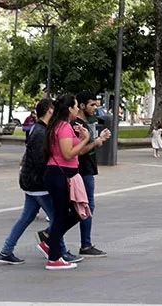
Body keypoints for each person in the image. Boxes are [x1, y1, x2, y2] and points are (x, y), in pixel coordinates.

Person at [0, 98, 77, 265]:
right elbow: (41, 161)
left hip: (31, 182)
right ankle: (58, 251)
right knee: (58, 217)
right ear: (49, 111)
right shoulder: (41, 132)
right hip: (38, 184)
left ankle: (6, 251)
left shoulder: (40, 129)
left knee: (27, 217)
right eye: (54, 109)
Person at [41, 94, 109, 270]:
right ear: (69, 109)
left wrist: (80, 138)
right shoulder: (63, 127)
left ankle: (50, 243)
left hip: (63, 174)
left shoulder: (60, 126)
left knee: (77, 212)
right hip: (60, 175)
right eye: (76, 106)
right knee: (64, 215)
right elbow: (68, 154)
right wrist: (85, 139)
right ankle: (53, 257)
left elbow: (70, 150)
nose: (77, 109)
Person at [71, 92, 107, 257]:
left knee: (84, 207)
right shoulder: (76, 124)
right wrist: (96, 142)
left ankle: (84, 243)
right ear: (82, 105)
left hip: (88, 169)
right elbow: (78, 150)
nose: (95, 108)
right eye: (92, 105)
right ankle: (84, 244)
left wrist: (99, 139)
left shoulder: (86, 122)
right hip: (81, 170)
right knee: (85, 207)